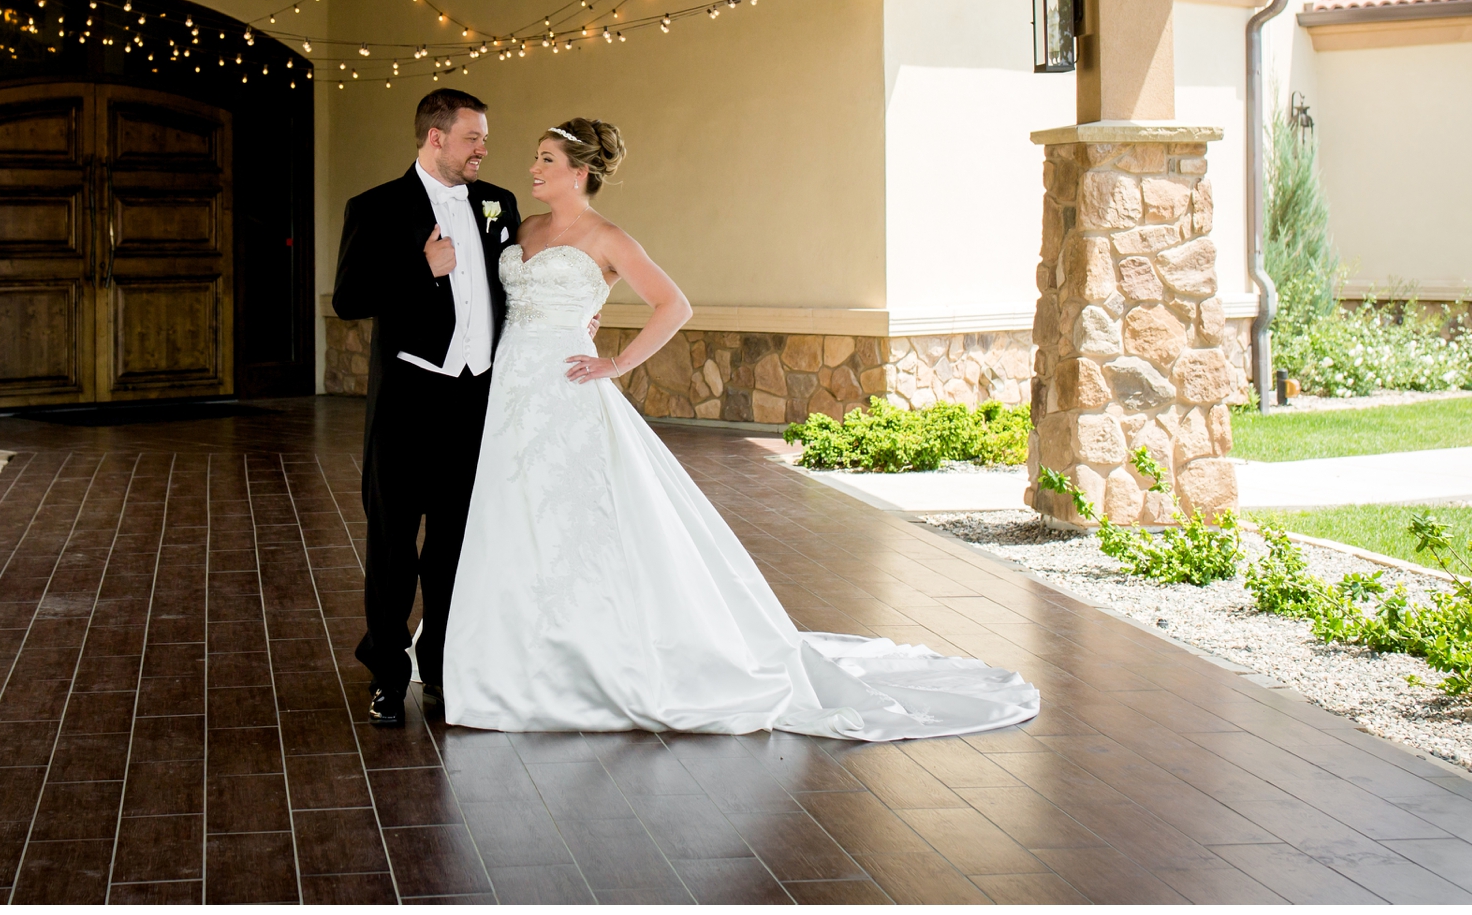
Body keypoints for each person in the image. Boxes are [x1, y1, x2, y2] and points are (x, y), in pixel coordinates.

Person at [443, 118, 1040, 741]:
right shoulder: (521, 226)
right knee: (512, 510)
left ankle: (585, 654)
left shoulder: (608, 237)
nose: (532, 168)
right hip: (511, 385)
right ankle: (506, 649)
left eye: (545, 159)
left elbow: (674, 306)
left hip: (567, 386)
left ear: (580, 171)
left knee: (577, 516)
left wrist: (613, 362)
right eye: (534, 159)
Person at [330, 88, 519, 728]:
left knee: (454, 546)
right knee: (392, 546)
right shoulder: (376, 206)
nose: (483, 150)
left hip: (474, 399)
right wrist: (421, 268)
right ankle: (388, 672)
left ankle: (441, 667)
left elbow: (515, 288)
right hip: (408, 399)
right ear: (435, 137)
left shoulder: (500, 204)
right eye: (473, 138)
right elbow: (349, 298)